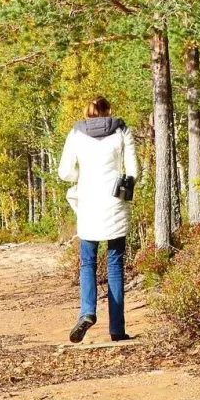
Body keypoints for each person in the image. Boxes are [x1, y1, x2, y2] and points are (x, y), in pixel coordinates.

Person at [57, 96, 138, 343]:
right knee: (115, 265)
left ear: (88, 113)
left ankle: (87, 312)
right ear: (108, 110)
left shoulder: (76, 134)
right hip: (114, 202)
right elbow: (134, 171)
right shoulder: (122, 130)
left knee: (87, 263)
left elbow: (65, 172)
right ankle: (117, 330)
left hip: (88, 203)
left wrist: (84, 173)